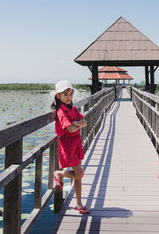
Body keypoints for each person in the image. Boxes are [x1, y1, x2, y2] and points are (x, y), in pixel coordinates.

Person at [51, 80, 90, 215]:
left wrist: (76, 124)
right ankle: (59, 173)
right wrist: (77, 124)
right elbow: (71, 129)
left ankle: (78, 203)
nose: (69, 97)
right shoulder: (61, 112)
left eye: (70, 94)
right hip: (67, 145)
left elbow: (85, 122)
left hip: (76, 143)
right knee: (79, 173)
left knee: (78, 176)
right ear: (58, 96)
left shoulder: (72, 109)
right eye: (65, 94)